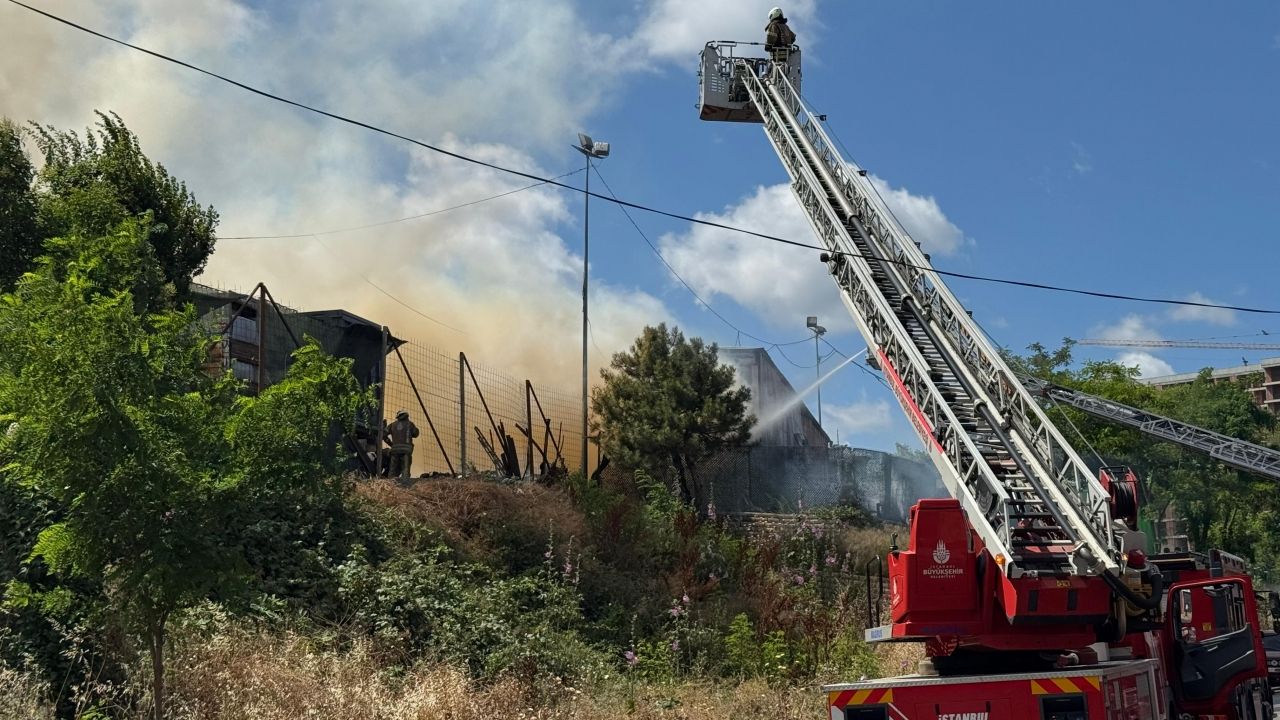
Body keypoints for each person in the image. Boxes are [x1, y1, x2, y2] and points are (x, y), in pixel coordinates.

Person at [383, 410, 420, 482]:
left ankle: (390, 483)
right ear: (406, 416)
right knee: (405, 469)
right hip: (406, 450)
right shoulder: (410, 424)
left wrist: (391, 444)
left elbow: (383, 435)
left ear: (398, 417)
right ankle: (405, 484)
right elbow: (416, 434)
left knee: (393, 469)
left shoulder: (392, 425)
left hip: (395, 450)